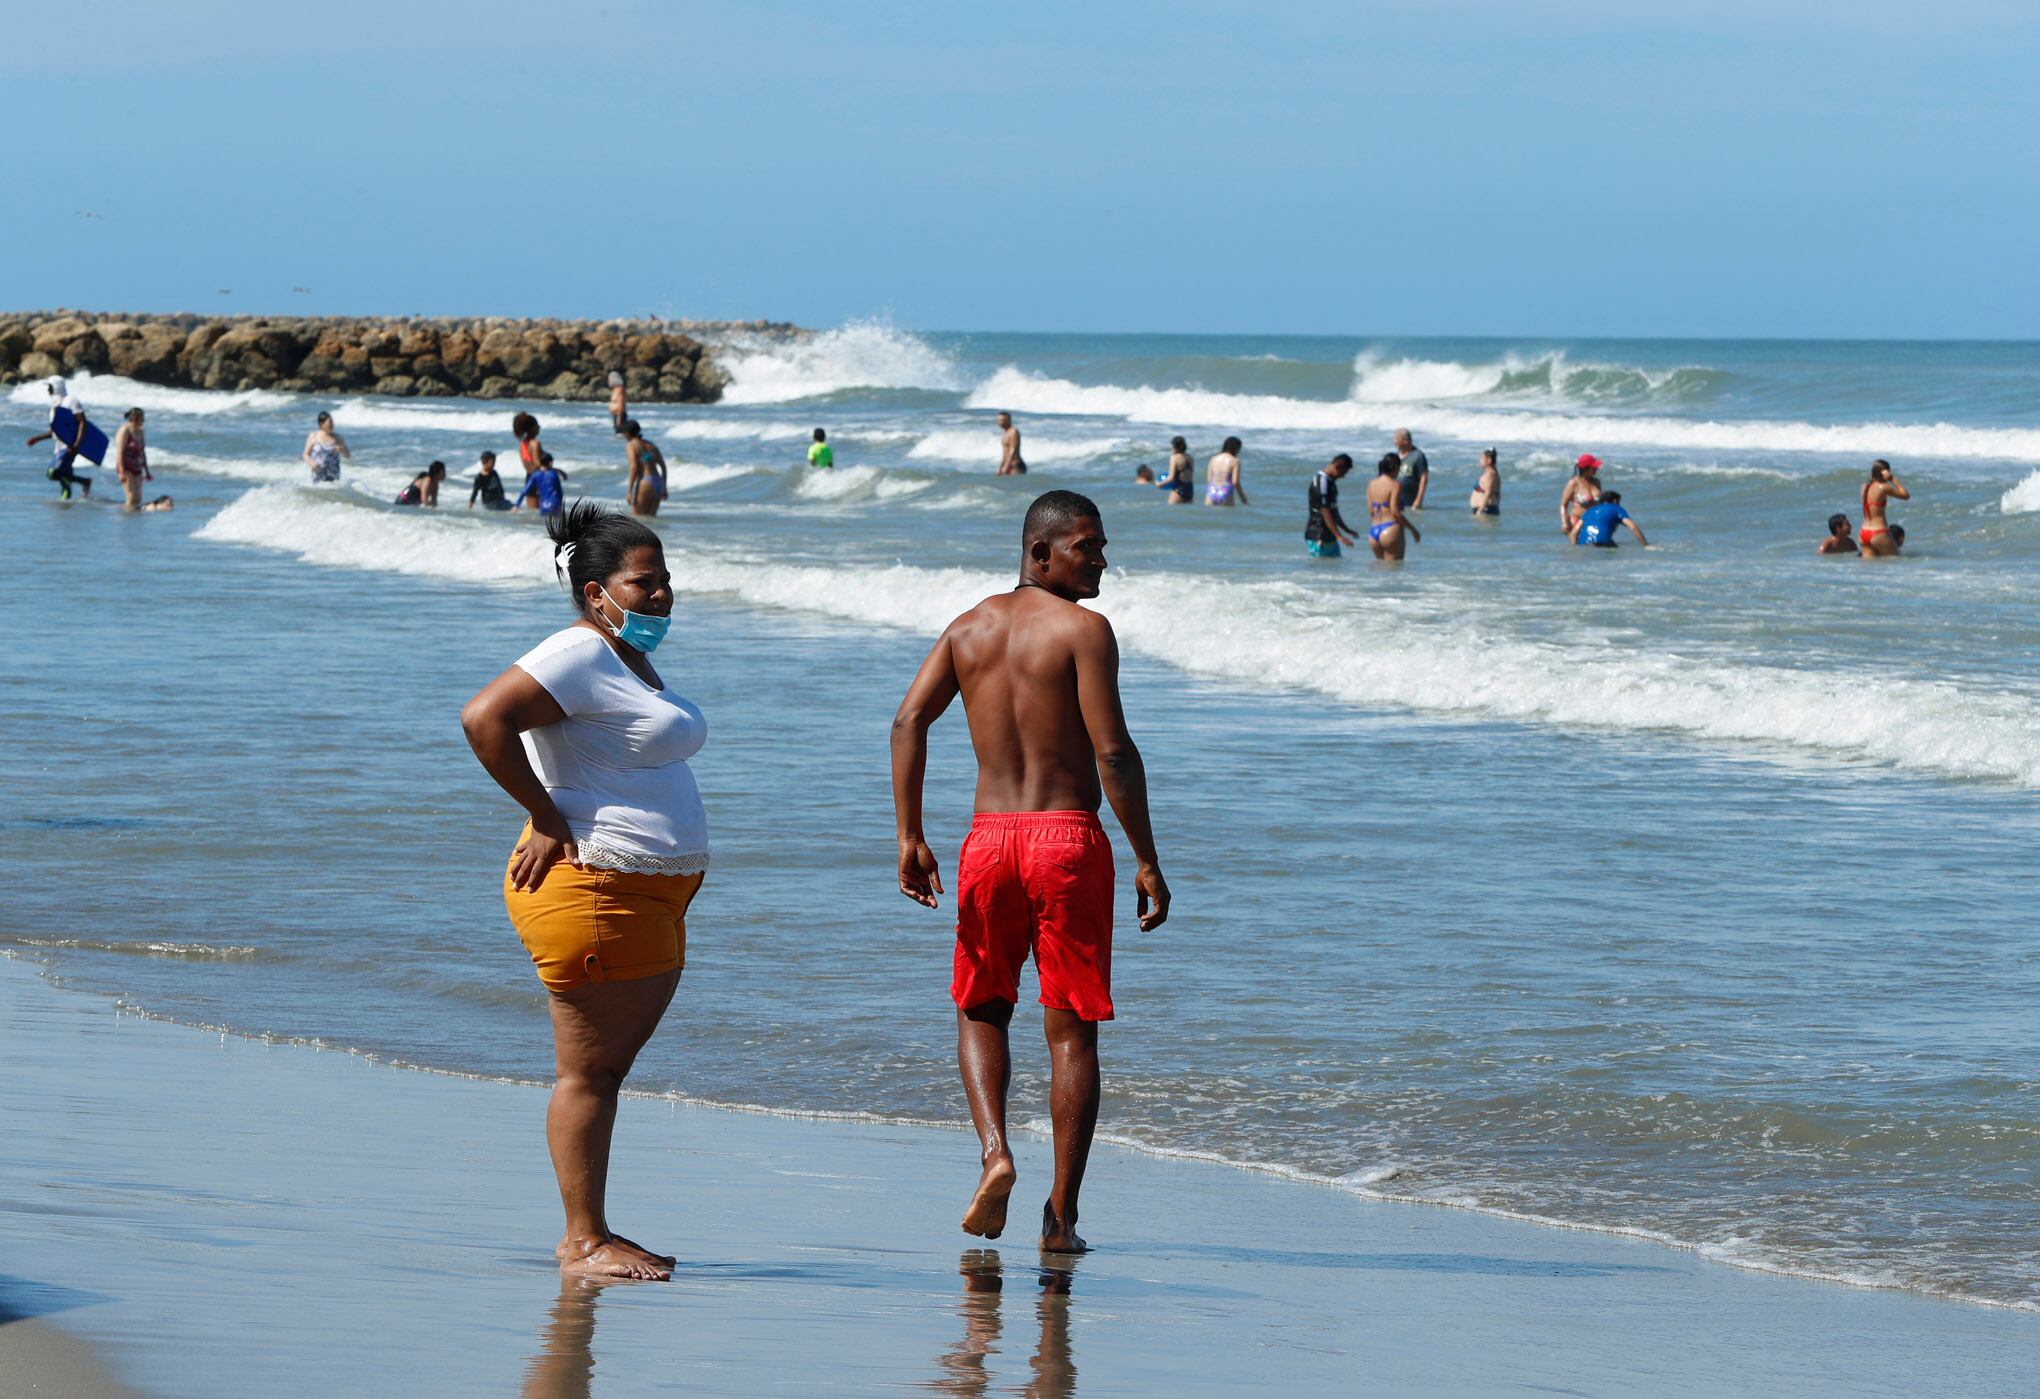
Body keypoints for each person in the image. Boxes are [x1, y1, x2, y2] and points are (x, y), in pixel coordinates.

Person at [891, 491, 1170, 1254]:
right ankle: (1061, 1220)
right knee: (1071, 1031)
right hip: (1067, 841)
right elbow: (1112, 751)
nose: (1103, 559)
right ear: (1040, 554)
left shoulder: (967, 627)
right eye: (1088, 547)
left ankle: (994, 1153)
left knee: (982, 1006)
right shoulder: (1084, 630)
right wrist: (1147, 854)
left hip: (988, 840)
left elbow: (908, 720)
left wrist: (910, 834)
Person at [460, 503, 708, 1281]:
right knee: (589, 1074)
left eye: (666, 579)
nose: (663, 594)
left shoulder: (621, 658)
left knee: (604, 1072)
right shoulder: (576, 650)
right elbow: (484, 718)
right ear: (597, 592)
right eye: (646, 582)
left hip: (638, 894)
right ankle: (583, 1238)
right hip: (594, 888)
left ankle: (591, 1230)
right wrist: (543, 811)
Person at [26, 377, 92, 499]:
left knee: (53, 473)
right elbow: (55, 431)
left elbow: (82, 422)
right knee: (64, 476)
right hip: (59, 446)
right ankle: (65, 507)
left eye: (50, 387)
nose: (48, 390)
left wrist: (77, 444)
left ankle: (83, 484)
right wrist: (37, 439)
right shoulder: (55, 405)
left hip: (70, 445)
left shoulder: (71, 400)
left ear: (56, 387)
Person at [1365, 453, 1421, 560]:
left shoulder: (1371, 484)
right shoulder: (1394, 485)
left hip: (1373, 532)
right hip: (1390, 529)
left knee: (1381, 571)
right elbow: (1395, 511)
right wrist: (1412, 529)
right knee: (1394, 572)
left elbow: (1371, 511)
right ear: (1395, 468)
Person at [1305, 454, 1359, 557]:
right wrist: (1339, 536)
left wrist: (1345, 529)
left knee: (1334, 570)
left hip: (1330, 536)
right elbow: (1325, 510)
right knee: (1320, 570)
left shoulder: (1330, 483)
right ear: (1337, 466)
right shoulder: (1322, 482)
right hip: (1318, 535)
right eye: (1344, 472)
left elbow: (1334, 511)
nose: (1343, 476)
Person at [1858, 459, 1909, 557]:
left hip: (1863, 532)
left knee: (1870, 569)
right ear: (1885, 472)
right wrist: (1892, 479)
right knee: (1894, 562)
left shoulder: (1864, 487)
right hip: (1878, 532)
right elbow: (1905, 495)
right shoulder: (1883, 487)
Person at [107, 407, 153, 511]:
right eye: (142, 418)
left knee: (138, 499)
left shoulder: (140, 431)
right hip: (125, 467)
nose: (143, 421)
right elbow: (119, 452)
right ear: (135, 418)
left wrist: (147, 471)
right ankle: (126, 519)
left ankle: (134, 521)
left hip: (137, 467)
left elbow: (142, 451)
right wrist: (122, 471)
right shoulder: (124, 430)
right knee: (131, 497)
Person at [1571, 490, 1647, 547]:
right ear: (1615, 501)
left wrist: (1575, 549)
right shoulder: (1616, 508)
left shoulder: (1589, 511)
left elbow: (1574, 533)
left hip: (1583, 544)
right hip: (1602, 543)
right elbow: (1633, 527)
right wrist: (1646, 545)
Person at [623, 420, 667, 516]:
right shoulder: (651, 445)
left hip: (645, 482)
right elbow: (663, 466)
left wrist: (629, 491)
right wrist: (664, 487)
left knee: (638, 519)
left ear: (627, 433)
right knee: (651, 519)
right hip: (658, 482)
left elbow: (634, 467)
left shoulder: (631, 445)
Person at [302, 411, 350, 483]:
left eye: (332, 422)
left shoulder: (337, 438)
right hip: (318, 476)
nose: (332, 424)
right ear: (322, 424)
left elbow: (347, 456)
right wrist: (312, 464)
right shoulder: (313, 437)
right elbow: (305, 454)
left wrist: (341, 449)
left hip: (334, 478)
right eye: (329, 422)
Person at [1559, 454, 1603, 532]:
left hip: (1593, 522)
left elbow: (1601, 503)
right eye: (1594, 467)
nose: (1597, 468)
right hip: (1576, 521)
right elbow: (1563, 505)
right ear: (1585, 468)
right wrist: (1564, 523)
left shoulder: (1596, 482)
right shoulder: (1573, 483)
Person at [516, 451, 567, 518]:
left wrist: (516, 505)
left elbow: (524, 491)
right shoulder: (554, 474)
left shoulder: (535, 475)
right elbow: (560, 491)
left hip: (543, 507)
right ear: (550, 463)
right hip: (555, 505)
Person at [1393, 429, 1429, 510]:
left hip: (1410, 503)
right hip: (1395, 502)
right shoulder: (1395, 456)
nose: (1394, 442)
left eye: (1396, 439)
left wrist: (1418, 500)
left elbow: (1424, 478)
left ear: (1405, 441)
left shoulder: (1418, 456)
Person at [1206, 437, 1247, 506]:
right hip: (1225, 491)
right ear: (1236, 448)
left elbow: (1209, 479)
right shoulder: (1235, 461)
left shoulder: (1213, 459)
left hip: (1212, 491)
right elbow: (1235, 482)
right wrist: (1243, 498)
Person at [1158, 437, 1194, 504]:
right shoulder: (1190, 457)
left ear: (1175, 446)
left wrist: (1160, 484)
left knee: (1172, 512)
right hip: (1189, 489)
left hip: (1178, 488)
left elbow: (1171, 478)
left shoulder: (1174, 457)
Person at [1468, 448, 1500, 517]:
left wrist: (1480, 511)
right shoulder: (1492, 473)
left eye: (1482, 458)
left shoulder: (1490, 475)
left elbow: (1488, 493)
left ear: (1489, 460)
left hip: (1485, 510)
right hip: (1486, 509)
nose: (1480, 460)